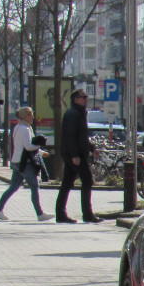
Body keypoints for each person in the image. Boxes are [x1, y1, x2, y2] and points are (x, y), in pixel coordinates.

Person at [0, 106, 54, 221]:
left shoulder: (18, 127)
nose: (32, 117)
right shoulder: (25, 129)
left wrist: (40, 152)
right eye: (30, 115)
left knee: (13, 187)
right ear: (25, 116)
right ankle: (40, 214)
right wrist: (39, 146)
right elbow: (28, 146)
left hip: (16, 161)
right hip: (24, 163)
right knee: (34, 187)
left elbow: (23, 146)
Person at [55, 88, 100, 223]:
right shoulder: (72, 114)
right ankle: (87, 214)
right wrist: (74, 155)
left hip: (77, 153)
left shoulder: (79, 113)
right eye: (83, 97)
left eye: (86, 96)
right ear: (76, 99)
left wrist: (92, 148)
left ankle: (61, 214)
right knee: (87, 180)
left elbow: (82, 136)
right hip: (74, 154)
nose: (86, 99)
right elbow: (70, 136)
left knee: (67, 183)